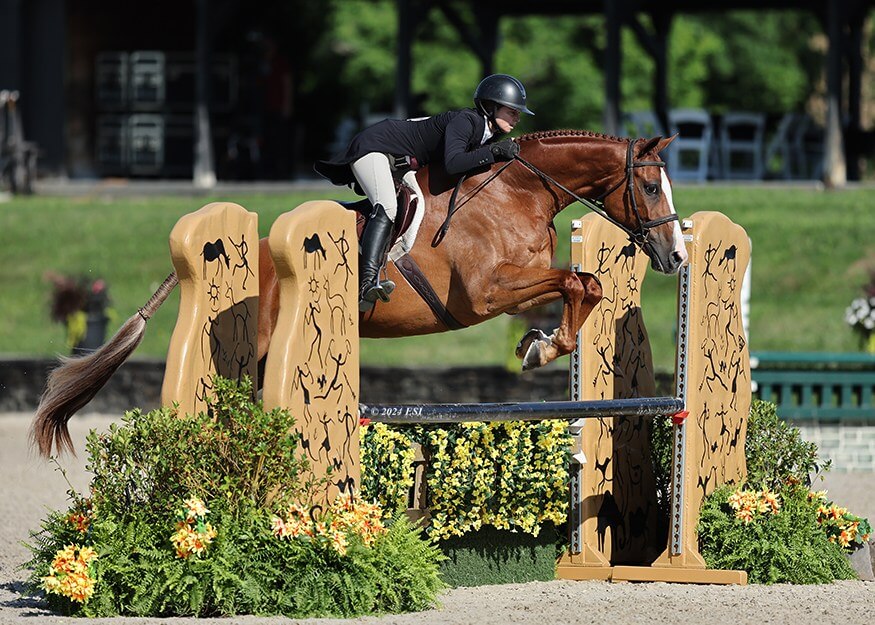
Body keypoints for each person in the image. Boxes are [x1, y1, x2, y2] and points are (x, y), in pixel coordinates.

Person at [314, 74, 534, 312]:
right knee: (388, 206)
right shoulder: (467, 121)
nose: (517, 117)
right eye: (512, 111)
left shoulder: (485, 131)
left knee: (418, 202)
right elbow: (453, 163)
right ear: (491, 107)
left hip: (403, 163)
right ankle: (367, 282)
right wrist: (493, 152)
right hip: (375, 148)